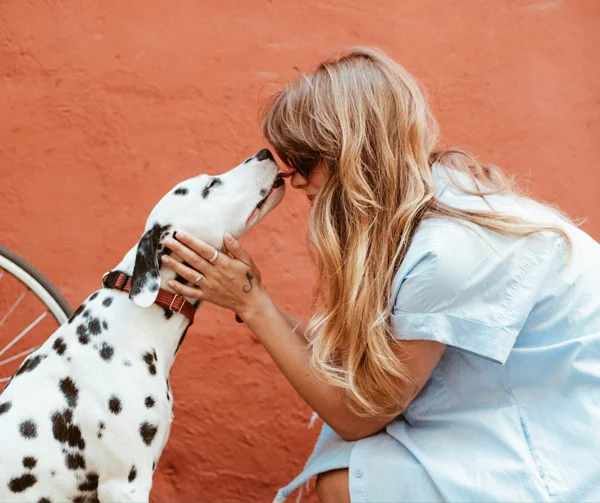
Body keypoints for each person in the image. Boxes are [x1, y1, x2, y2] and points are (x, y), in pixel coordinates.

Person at [161, 47, 600, 502]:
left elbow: (360, 414)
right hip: (506, 413)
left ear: (350, 154)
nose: (293, 181)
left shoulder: (448, 252)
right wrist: (249, 296)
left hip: (563, 447)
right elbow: (353, 372)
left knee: (346, 485)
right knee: (344, 469)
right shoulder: (427, 206)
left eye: (304, 161)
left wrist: (252, 303)